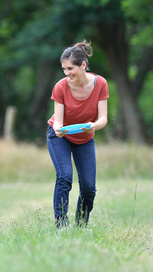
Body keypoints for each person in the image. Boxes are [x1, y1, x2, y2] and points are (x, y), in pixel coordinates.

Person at [46, 40, 109, 228]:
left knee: (89, 188)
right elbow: (58, 120)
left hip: (85, 138)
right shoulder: (61, 87)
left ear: (83, 65)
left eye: (70, 68)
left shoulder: (100, 84)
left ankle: (81, 225)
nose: (67, 73)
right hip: (60, 136)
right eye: (64, 69)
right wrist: (58, 128)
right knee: (65, 176)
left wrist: (94, 126)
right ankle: (61, 226)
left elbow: (103, 118)